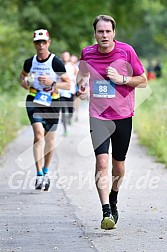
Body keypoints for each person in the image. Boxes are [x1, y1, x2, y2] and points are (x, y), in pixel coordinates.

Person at [77, 15, 147, 230]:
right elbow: (82, 74)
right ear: (95, 34)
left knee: (118, 166)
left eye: (108, 31)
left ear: (114, 33)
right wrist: (81, 86)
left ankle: (114, 197)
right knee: (102, 163)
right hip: (98, 116)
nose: (104, 35)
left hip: (123, 116)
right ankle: (106, 210)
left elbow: (143, 81)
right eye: (100, 31)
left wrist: (122, 80)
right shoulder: (87, 53)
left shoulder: (126, 51)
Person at [20, 29, 70, 190]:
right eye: (37, 42)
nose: (41, 45)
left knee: (49, 140)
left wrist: (52, 83)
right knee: (38, 134)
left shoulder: (56, 62)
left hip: (52, 102)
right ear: (34, 44)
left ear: (48, 43)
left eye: (43, 42)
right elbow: (22, 77)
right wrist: (25, 82)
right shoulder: (29, 62)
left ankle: (46, 172)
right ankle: (39, 174)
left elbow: (68, 84)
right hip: (34, 100)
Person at [59, 51, 77, 136]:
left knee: (70, 110)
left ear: (69, 56)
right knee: (63, 111)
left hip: (70, 91)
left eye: (66, 56)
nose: (65, 57)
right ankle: (65, 129)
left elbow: (78, 77)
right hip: (61, 92)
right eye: (63, 56)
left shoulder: (72, 66)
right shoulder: (58, 65)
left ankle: (70, 118)